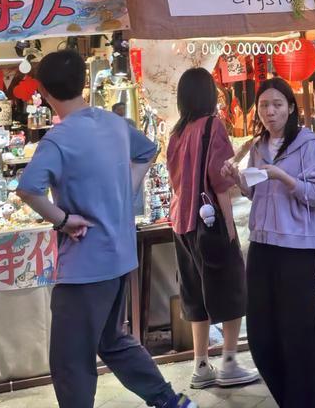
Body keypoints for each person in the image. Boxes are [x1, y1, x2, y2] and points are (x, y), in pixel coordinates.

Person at [16, 51, 195, 408]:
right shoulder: (114, 123)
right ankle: (170, 402)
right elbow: (147, 151)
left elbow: (28, 189)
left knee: (70, 360)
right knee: (112, 341)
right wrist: (125, 188)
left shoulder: (57, 139)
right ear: (84, 82)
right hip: (119, 257)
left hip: (84, 264)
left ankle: (168, 401)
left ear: (43, 92)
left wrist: (63, 220)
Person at [222, 78, 315, 407]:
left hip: (296, 247)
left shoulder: (307, 143)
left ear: (290, 108)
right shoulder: (257, 146)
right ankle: (289, 399)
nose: (270, 112)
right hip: (262, 244)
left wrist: (282, 176)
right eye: (264, 106)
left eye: (277, 105)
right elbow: (257, 192)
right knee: (260, 333)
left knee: (298, 334)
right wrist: (238, 179)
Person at [163, 68, 257, 390]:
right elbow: (220, 180)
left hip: (181, 223)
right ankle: (229, 362)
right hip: (209, 221)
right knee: (232, 286)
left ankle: (201, 365)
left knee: (195, 294)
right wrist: (229, 226)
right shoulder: (212, 126)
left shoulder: (176, 133)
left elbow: (175, 180)